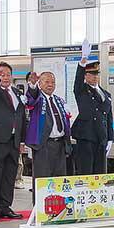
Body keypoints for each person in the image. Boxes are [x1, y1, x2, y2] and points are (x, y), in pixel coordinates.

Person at [0, 62, 27, 220]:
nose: (5, 77)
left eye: (8, 74)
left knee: (9, 175)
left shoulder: (16, 92)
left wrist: (22, 141)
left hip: (13, 141)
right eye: (2, 74)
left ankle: (5, 205)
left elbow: (21, 116)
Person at [25, 71, 72, 203]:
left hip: (60, 145)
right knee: (42, 179)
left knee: (59, 178)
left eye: (53, 82)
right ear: (40, 83)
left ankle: (58, 207)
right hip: (43, 145)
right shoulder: (38, 99)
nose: (50, 85)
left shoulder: (59, 100)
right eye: (47, 82)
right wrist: (32, 86)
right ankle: (40, 208)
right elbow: (31, 98)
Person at [72, 39, 113, 175]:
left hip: (101, 138)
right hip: (86, 137)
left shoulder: (106, 94)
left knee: (99, 173)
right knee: (86, 172)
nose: (95, 77)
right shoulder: (81, 90)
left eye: (96, 74)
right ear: (86, 76)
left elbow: (109, 118)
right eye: (91, 74)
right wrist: (83, 60)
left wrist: (110, 138)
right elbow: (77, 80)